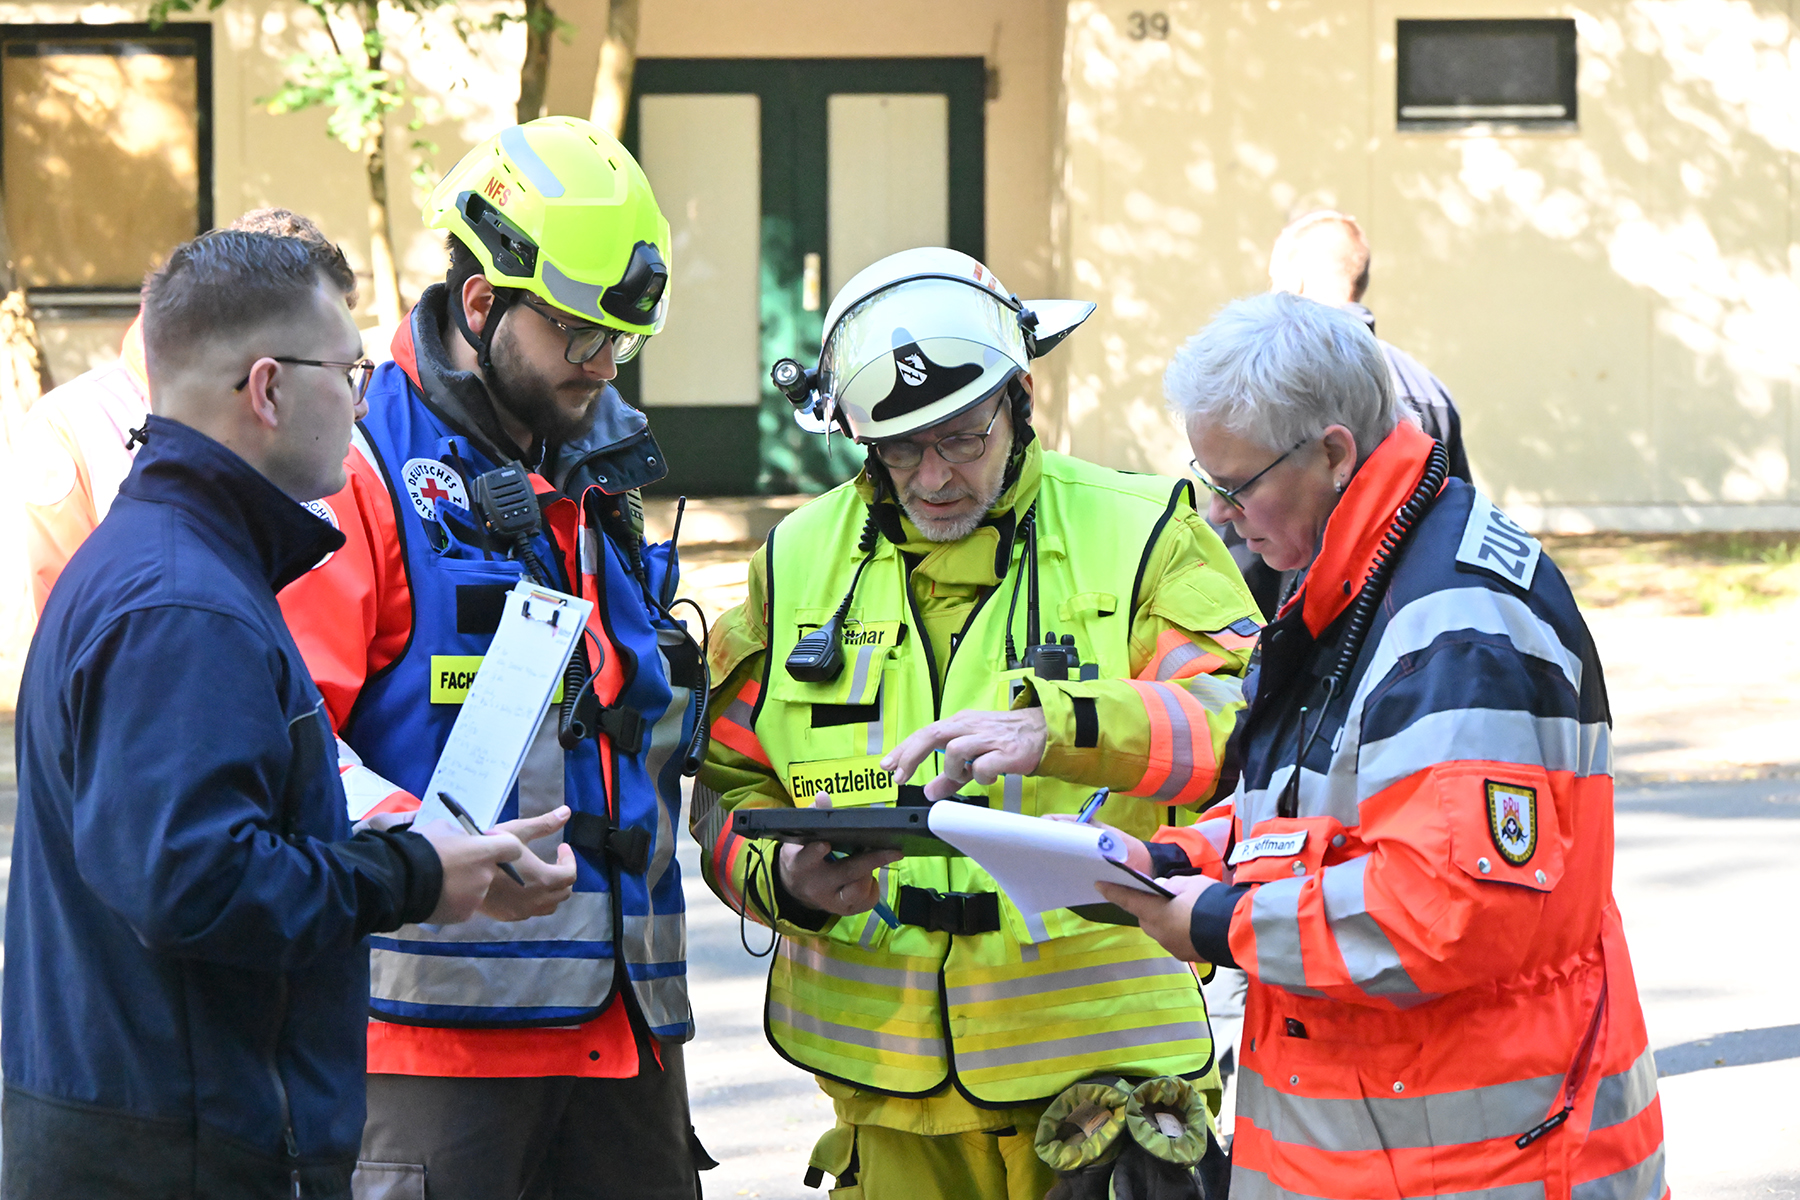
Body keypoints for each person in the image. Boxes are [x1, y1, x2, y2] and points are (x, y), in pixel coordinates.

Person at [694, 246, 1264, 1198]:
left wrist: (1064, 727)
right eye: (899, 448)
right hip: (886, 1102)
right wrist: (783, 881)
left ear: (1020, 397)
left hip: (1105, 1099)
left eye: (961, 438)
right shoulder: (795, 561)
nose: (932, 478)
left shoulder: (1142, 533)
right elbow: (723, 791)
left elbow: (1248, 734)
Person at [2, 230, 563, 1198]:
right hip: (181, 1148)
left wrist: (426, 859)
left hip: (160, 1127)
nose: (362, 401)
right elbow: (196, 884)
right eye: (347, 372)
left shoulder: (177, 564)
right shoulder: (183, 601)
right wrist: (414, 875)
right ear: (267, 389)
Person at [1098, 292, 1667, 1200]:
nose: (1222, 516)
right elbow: (1309, 803)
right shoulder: (1363, 567)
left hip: (1477, 1160)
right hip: (1393, 1141)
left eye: (1237, 486)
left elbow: (1445, 912)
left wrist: (1215, 921)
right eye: (1208, 482)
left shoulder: (1455, 623)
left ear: (1332, 453)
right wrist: (1182, 857)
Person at [275, 116, 710, 1199]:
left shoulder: (602, 466)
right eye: (579, 336)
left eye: (621, 341)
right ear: (481, 303)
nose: (603, 366)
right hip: (438, 1047)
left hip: (627, 1038)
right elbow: (286, 737)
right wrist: (423, 843)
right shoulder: (362, 466)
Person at [16, 208, 358, 614]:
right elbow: (59, 609)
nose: (359, 405)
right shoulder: (70, 423)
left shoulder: (321, 444)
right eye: (343, 370)